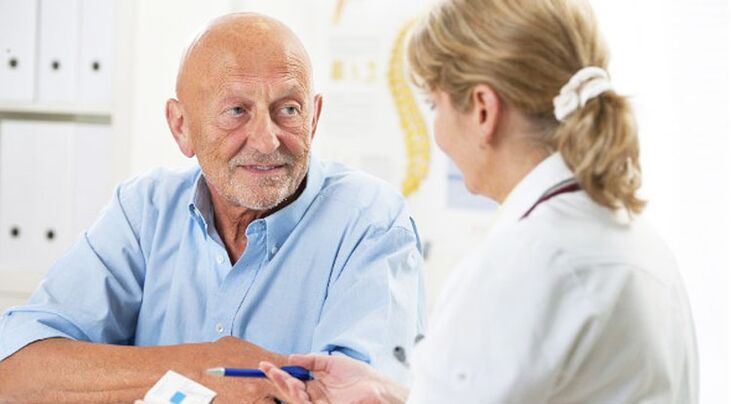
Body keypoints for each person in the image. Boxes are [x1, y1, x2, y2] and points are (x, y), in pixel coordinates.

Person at [259, 0, 698, 402]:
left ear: (483, 110)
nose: (438, 133)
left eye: (435, 105)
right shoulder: (632, 236)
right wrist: (391, 395)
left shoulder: (523, 264)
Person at [0, 13, 426, 402]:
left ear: (313, 117)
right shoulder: (144, 210)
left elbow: (358, 396)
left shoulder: (370, 221)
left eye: (288, 109)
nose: (267, 140)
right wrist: (204, 367)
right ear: (181, 126)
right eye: (237, 111)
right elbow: (17, 370)